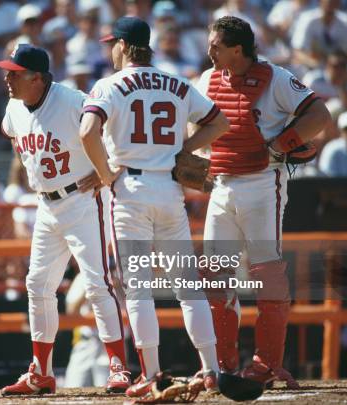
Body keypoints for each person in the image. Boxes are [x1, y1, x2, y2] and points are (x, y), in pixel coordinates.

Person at [80, 16, 229, 398]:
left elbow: (87, 132)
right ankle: (211, 369)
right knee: (188, 287)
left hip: (129, 190)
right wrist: (184, 150)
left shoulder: (109, 84)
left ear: (126, 46)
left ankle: (151, 374)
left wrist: (105, 174)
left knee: (139, 289)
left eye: (113, 43)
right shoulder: (176, 82)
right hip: (169, 189)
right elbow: (218, 123)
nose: (109, 49)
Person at [195, 16, 331, 388]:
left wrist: (281, 144)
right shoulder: (206, 80)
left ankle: (266, 363)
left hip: (262, 181)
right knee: (215, 275)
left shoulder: (275, 77)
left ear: (237, 49)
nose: (209, 51)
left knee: (266, 274)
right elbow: (192, 127)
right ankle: (221, 365)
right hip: (221, 185)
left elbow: (319, 114)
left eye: (216, 46)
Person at [0, 44, 130, 395]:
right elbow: (13, 134)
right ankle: (41, 372)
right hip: (46, 205)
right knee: (37, 285)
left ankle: (118, 366)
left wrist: (106, 171)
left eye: (15, 73)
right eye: (7, 71)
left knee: (97, 283)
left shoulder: (71, 100)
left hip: (82, 199)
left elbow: (113, 127)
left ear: (37, 78)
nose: (7, 78)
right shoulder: (13, 107)